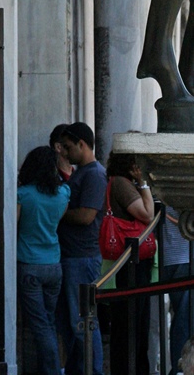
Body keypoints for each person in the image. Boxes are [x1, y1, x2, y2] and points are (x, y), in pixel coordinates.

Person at [56, 122, 108, 375]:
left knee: (84, 322)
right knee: (72, 323)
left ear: (82, 144)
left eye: (67, 147)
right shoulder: (82, 172)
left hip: (82, 257)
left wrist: (57, 212)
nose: (64, 153)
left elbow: (87, 216)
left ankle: (92, 371)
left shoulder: (94, 174)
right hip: (72, 255)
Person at [17, 146, 71, 375]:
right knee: (48, 321)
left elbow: (13, 225)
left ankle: (51, 371)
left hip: (30, 263)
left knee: (39, 325)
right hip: (54, 264)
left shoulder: (23, 194)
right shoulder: (63, 193)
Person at [103, 153, 155, 375]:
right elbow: (147, 213)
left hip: (135, 260)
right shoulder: (122, 184)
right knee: (130, 325)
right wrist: (143, 183)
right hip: (129, 261)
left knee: (137, 323)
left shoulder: (123, 183)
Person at [161, 207, 192, 375]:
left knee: (181, 318)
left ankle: (179, 367)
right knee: (185, 320)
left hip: (171, 256)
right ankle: (181, 368)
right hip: (185, 256)